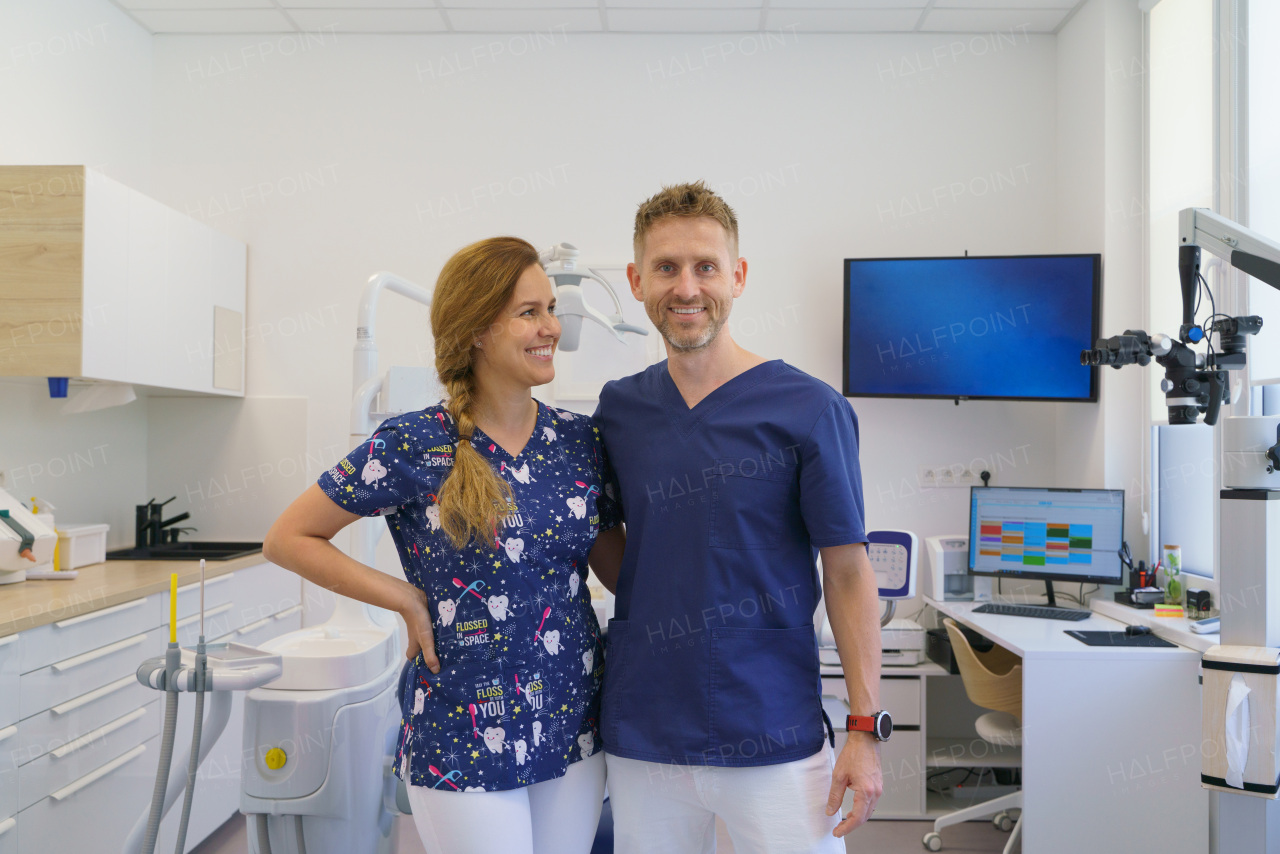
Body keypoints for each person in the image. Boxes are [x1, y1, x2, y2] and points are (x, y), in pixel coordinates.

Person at [263, 236, 626, 854]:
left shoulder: (580, 442)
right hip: (461, 724)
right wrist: (403, 598)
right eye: (529, 312)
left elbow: (619, 570)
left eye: (550, 309)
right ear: (478, 330)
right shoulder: (412, 444)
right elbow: (288, 538)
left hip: (570, 716)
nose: (552, 329)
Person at [590, 182, 884, 854]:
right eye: (665, 268)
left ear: (738, 277)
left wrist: (865, 728)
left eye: (705, 266)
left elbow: (846, 572)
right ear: (636, 281)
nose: (686, 287)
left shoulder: (809, 409)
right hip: (646, 729)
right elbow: (606, 539)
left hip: (771, 724)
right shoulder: (620, 411)